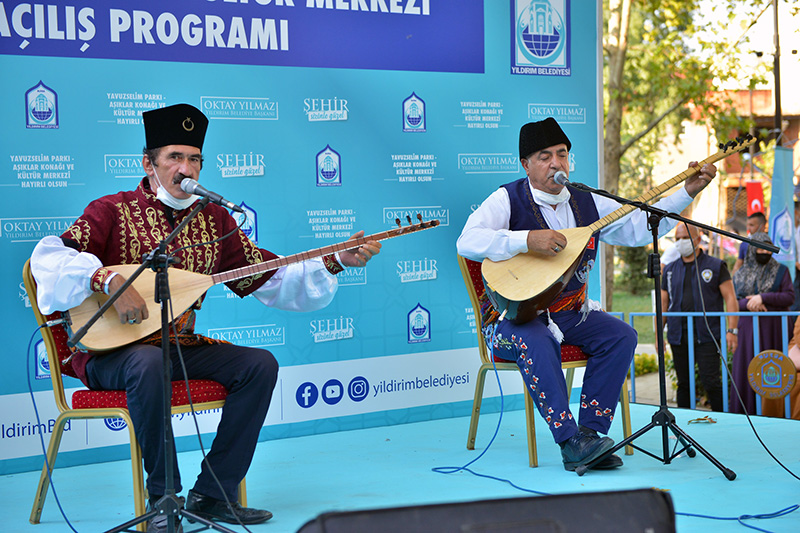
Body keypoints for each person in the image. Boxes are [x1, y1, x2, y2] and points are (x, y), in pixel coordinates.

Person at [29, 104, 381, 531]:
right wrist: (107, 279)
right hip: (113, 355)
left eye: (193, 158)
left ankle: (213, 494)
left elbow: (268, 276)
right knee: (147, 362)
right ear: (149, 163)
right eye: (174, 157)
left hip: (178, 348)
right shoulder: (112, 210)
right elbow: (48, 258)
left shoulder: (213, 218)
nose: (185, 168)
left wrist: (335, 261)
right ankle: (163, 500)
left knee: (258, 365)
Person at [456, 117, 718, 472]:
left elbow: (638, 228)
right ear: (526, 164)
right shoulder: (507, 198)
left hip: (570, 315)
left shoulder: (588, 201)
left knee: (621, 336)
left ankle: (590, 436)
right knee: (535, 339)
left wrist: (688, 190)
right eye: (544, 156)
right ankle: (569, 440)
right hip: (511, 320)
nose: (555, 163)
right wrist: (525, 239)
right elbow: (467, 241)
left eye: (562, 154)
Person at [661, 223, 738, 412]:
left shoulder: (716, 266)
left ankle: (721, 421)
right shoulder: (670, 270)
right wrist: (658, 335)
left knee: (711, 381)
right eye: (677, 239)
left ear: (697, 239)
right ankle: (682, 426)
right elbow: (663, 303)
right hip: (678, 335)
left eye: (685, 238)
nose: (681, 242)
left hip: (707, 334)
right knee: (683, 384)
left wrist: (732, 330)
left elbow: (730, 298)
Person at [729, 232, 794, 416]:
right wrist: (750, 303)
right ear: (751, 249)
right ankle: (747, 413)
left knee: (774, 370)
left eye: (767, 248)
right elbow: (734, 301)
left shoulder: (781, 271)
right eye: (758, 248)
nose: (763, 252)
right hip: (748, 331)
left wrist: (763, 297)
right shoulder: (741, 273)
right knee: (748, 368)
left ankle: (775, 413)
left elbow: (789, 296)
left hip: (775, 329)